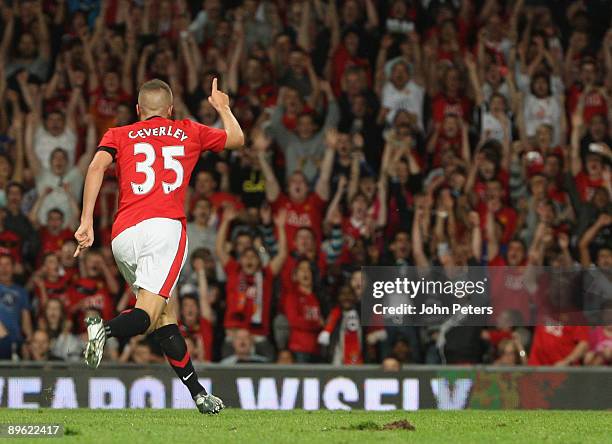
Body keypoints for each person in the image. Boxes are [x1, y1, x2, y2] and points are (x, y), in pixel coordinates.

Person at [73, 78, 243, 414]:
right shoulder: (188, 130)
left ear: (138, 111)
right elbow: (236, 139)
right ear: (170, 110)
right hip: (164, 229)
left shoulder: (118, 134)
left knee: (165, 315)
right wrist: (222, 107)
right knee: (148, 315)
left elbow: (95, 167)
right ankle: (102, 329)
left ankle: (198, 394)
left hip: (123, 236)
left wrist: (86, 220)